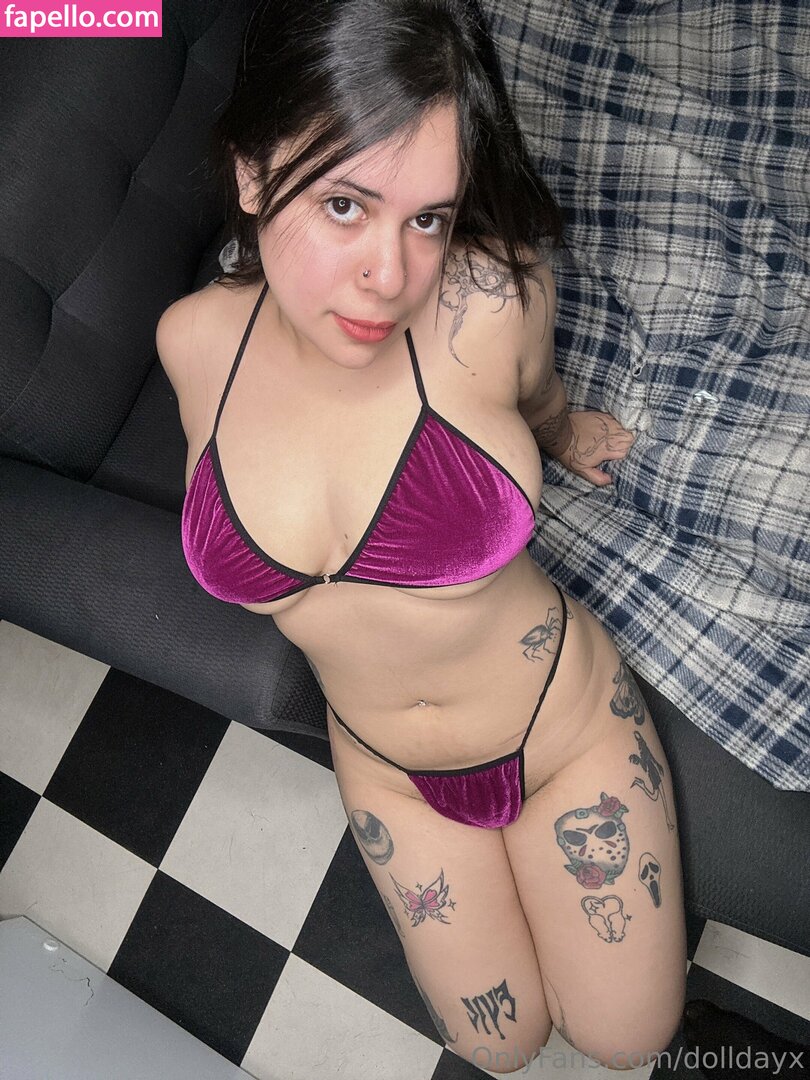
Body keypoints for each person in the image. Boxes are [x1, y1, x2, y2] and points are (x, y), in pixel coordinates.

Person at [157, 0, 687, 1071]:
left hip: (559, 729)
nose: (392, 276)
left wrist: (561, 431)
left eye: (429, 218)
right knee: (502, 1046)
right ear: (253, 174)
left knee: (628, 1038)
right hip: (392, 775)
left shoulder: (491, 299)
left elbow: (533, 393)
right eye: (344, 204)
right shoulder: (192, 343)